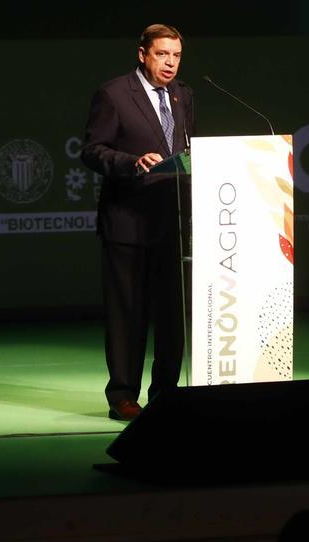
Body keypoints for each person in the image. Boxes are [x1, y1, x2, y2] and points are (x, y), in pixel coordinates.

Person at [82, 23, 195, 421]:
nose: (170, 63)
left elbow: (185, 151)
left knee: (171, 316)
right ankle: (123, 396)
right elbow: (92, 151)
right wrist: (132, 163)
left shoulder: (183, 96)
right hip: (127, 222)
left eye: (176, 55)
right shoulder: (114, 94)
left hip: (173, 224)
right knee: (127, 314)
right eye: (162, 54)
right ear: (142, 54)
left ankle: (166, 390)